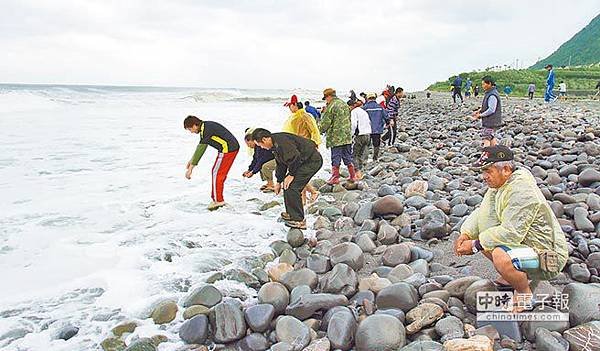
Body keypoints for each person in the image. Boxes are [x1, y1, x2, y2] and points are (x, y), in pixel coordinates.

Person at [454, 146, 568, 310]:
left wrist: (473, 246)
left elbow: (510, 233)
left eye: (488, 171)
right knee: (485, 238)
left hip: (548, 256)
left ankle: (524, 292)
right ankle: (513, 275)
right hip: (526, 246)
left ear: (506, 169)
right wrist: (466, 234)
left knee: (500, 254)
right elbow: (483, 212)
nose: (484, 176)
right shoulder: (500, 185)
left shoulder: (522, 190)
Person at [252, 128, 323, 229]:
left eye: (260, 145)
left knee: (293, 186)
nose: (262, 148)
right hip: (302, 161)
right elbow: (281, 163)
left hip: (312, 161)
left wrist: (291, 174)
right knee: (286, 184)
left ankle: (299, 220)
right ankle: (291, 214)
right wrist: (279, 181)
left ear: (264, 139)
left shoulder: (282, 142)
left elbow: (295, 157)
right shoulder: (274, 144)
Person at [184, 116, 240, 211]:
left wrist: (190, 169)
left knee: (217, 173)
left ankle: (218, 200)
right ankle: (216, 198)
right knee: (216, 172)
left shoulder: (206, 129)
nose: (191, 132)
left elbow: (201, 149)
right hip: (229, 148)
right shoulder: (205, 127)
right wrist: (191, 160)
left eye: (190, 129)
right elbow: (200, 146)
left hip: (228, 149)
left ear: (195, 125)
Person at [282, 95, 321, 203]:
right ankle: (304, 197)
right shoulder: (295, 116)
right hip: (297, 148)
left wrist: (314, 144)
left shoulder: (304, 116)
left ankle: (311, 194)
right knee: (299, 173)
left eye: (289, 106)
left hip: (305, 148)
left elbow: (314, 130)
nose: (289, 108)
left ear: (294, 105)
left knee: (300, 173)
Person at [320, 88, 358, 184]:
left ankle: (335, 177)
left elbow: (326, 123)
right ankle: (353, 176)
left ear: (328, 96)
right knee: (347, 156)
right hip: (347, 135)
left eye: (326, 98)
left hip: (336, 137)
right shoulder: (344, 104)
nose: (326, 100)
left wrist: (318, 131)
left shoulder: (331, 106)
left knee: (335, 157)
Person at [472, 76, 502, 148]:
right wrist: (479, 110)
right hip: (492, 121)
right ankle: (496, 153)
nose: (482, 86)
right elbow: (487, 106)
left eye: (483, 84)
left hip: (490, 122)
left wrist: (481, 115)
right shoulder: (490, 92)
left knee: (486, 138)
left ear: (489, 84)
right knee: (491, 137)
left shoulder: (492, 94)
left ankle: (486, 156)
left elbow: (491, 109)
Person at [350, 99, 372, 179]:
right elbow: (369, 122)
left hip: (359, 135)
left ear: (351, 106)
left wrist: (351, 135)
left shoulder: (354, 112)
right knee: (361, 154)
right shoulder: (364, 112)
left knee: (354, 155)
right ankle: (361, 171)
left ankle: (357, 174)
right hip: (368, 134)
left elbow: (353, 124)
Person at [363, 92, 388, 162]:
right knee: (376, 144)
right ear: (375, 98)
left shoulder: (364, 108)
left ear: (368, 99)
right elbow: (386, 116)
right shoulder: (380, 107)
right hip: (377, 129)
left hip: (367, 129)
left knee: (366, 144)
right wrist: (388, 123)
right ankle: (375, 158)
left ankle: (365, 159)